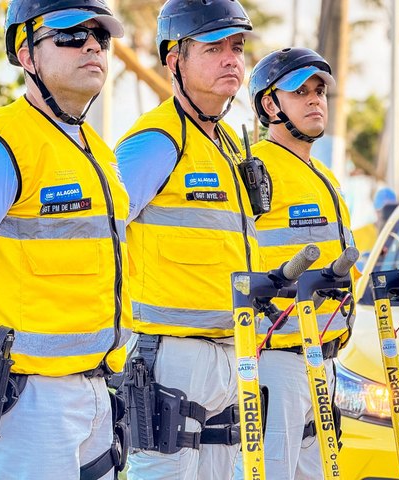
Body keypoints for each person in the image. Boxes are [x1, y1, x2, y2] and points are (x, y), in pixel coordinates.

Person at [0, 1, 131, 479]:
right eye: (71, 36)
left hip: (95, 389)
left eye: (100, 36)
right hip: (25, 398)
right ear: (26, 53)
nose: (93, 45)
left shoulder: (95, 151)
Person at [114, 0, 258, 478]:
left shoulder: (226, 145)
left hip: (228, 352)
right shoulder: (156, 141)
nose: (231, 58)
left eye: (236, 46)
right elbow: (102, 236)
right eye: (213, 47)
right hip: (171, 358)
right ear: (174, 58)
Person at [240, 47, 355, 480]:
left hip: (324, 357)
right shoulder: (254, 170)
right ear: (270, 105)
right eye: (299, 92)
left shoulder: (326, 177)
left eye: (319, 91)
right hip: (278, 358)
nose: (314, 100)